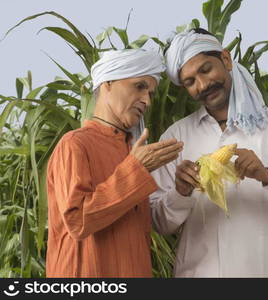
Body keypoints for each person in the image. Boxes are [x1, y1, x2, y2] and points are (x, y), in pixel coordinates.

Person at [150, 29, 268, 277]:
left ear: (226, 59)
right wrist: (180, 192)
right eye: (189, 82)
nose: (202, 85)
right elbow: (159, 222)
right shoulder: (175, 138)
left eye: (206, 69)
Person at [46, 49, 183, 277]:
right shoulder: (74, 144)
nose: (147, 101)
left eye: (150, 93)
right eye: (139, 86)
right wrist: (137, 170)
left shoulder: (132, 151)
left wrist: (182, 190)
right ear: (107, 83)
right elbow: (78, 220)